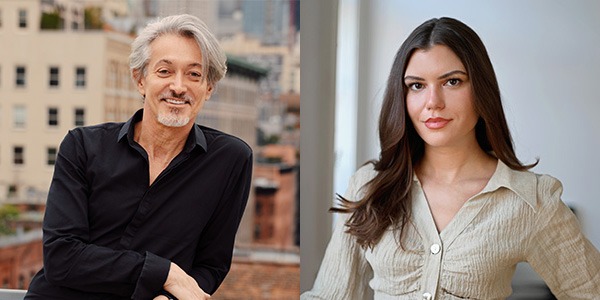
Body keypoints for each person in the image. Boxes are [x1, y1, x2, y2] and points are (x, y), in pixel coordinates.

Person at [301, 17, 600, 300]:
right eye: (417, 86)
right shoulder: (369, 186)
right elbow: (330, 294)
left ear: (481, 90)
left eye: (452, 82)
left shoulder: (530, 199)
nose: (433, 103)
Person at [25, 14, 253, 300]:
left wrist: (170, 298)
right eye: (164, 71)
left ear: (208, 88)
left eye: (194, 74)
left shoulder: (230, 159)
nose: (179, 86)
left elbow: (212, 265)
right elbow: (61, 257)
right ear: (140, 80)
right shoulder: (82, 146)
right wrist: (164, 273)